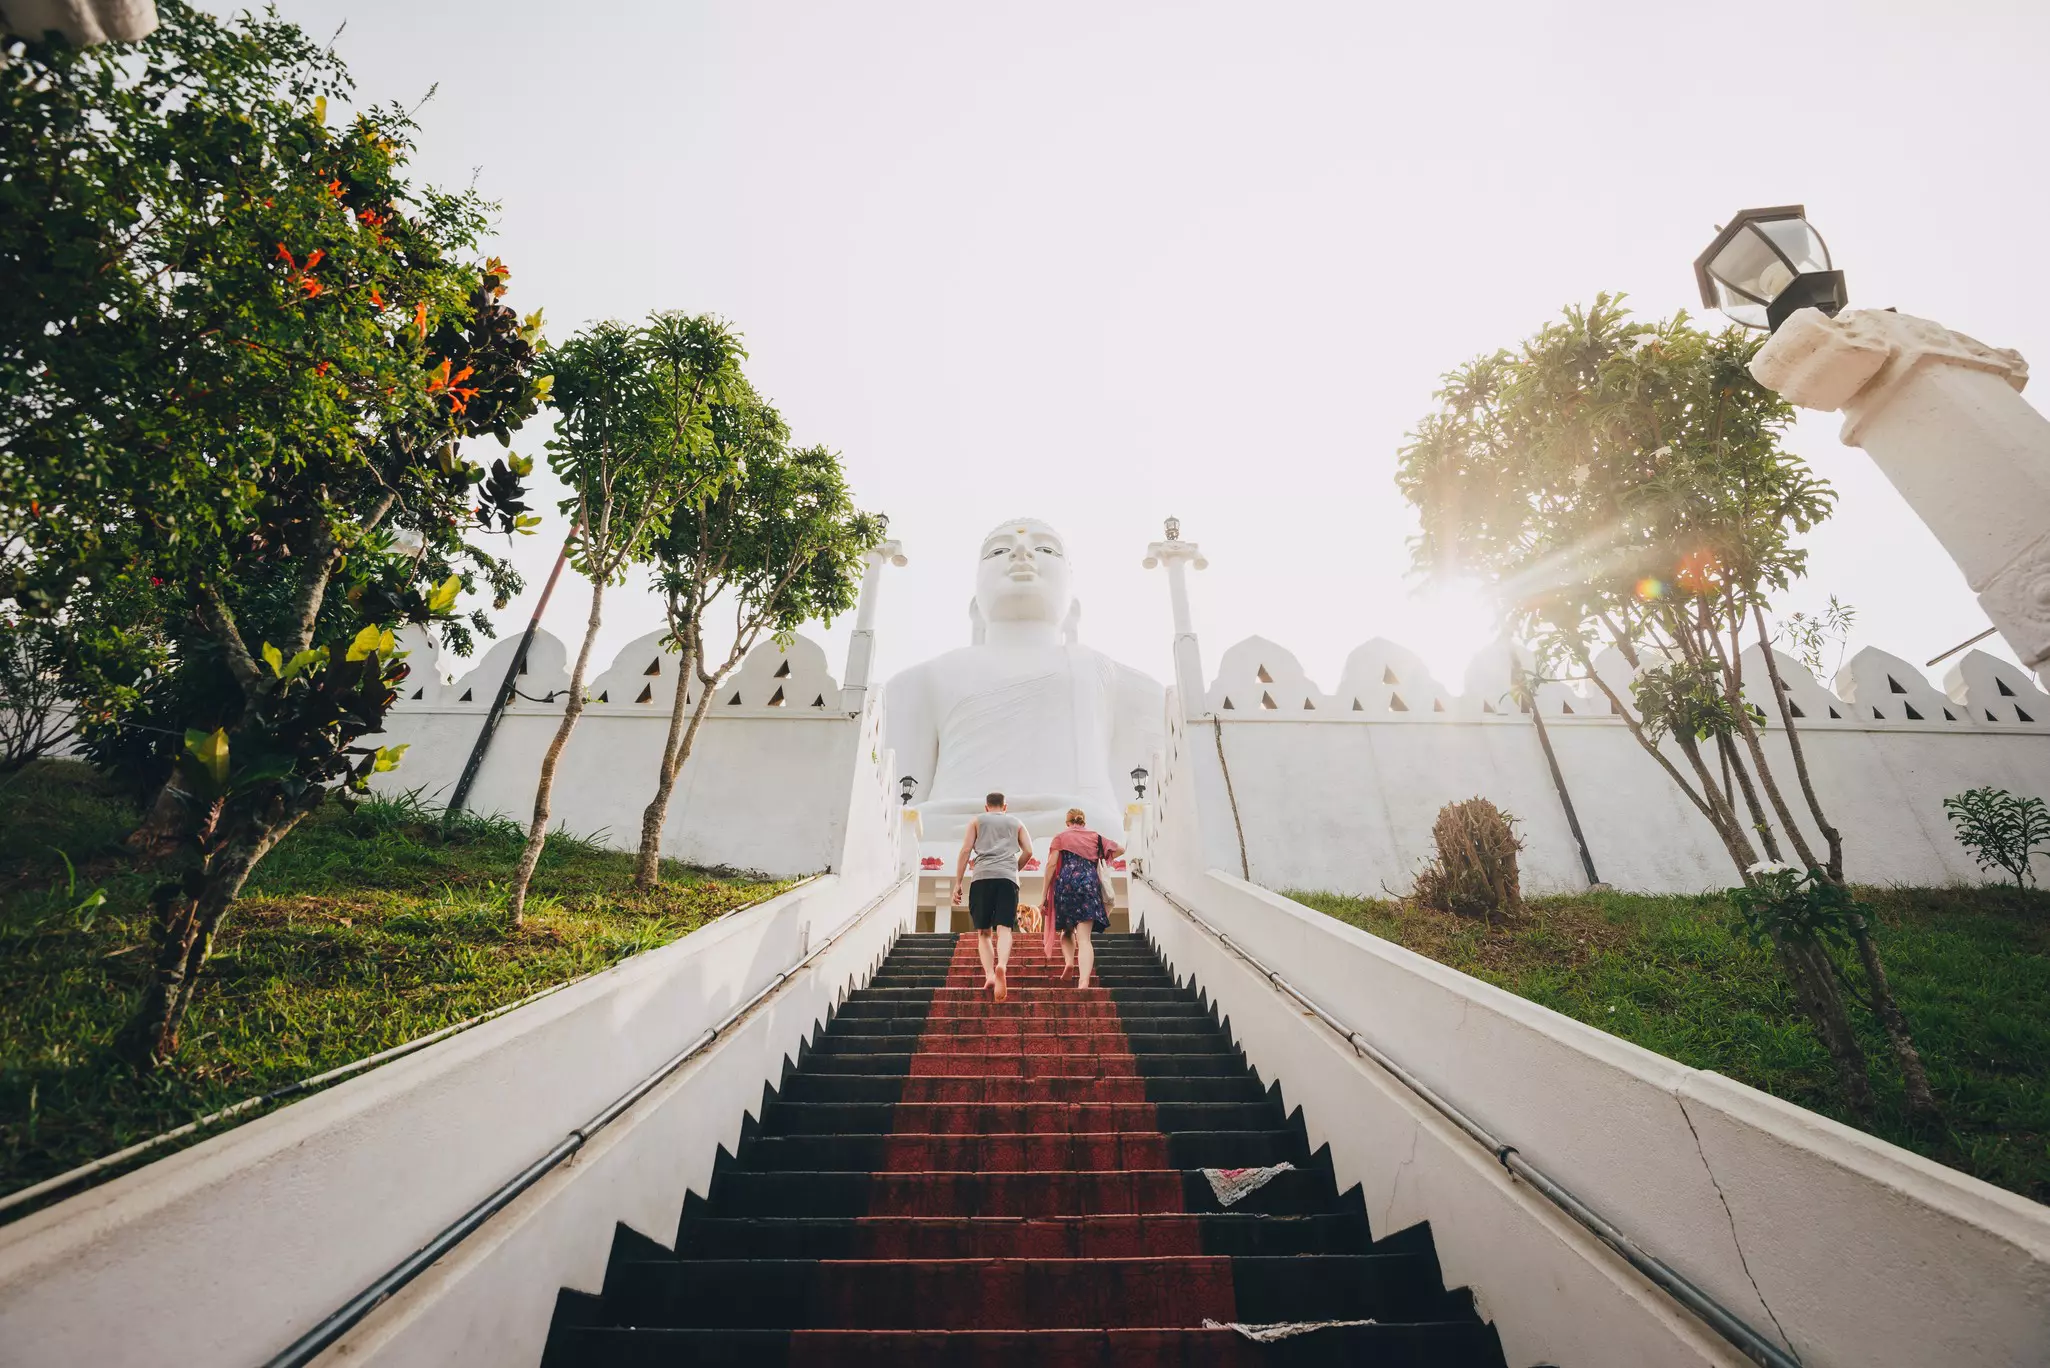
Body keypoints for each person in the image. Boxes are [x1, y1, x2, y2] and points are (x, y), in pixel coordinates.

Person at [952, 791, 1032, 1001]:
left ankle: (989, 974)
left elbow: (965, 850)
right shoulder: (1016, 822)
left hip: (981, 877)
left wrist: (958, 883)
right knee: (1005, 928)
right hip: (1007, 878)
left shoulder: (977, 821)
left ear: (986, 807)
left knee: (984, 932)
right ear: (1005, 806)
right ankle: (1002, 966)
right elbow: (1029, 851)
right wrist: (1015, 869)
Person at [1040, 807, 1123, 990]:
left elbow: (1051, 865)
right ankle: (1084, 980)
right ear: (1083, 822)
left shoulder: (1060, 837)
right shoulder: (1096, 837)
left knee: (1067, 931)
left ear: (1067, 823)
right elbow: (1121, 849)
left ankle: (1069, 962)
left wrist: (1044, 895)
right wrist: (1101, 858)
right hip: (1088, 884)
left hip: (1066, 884)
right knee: (1084, 939)